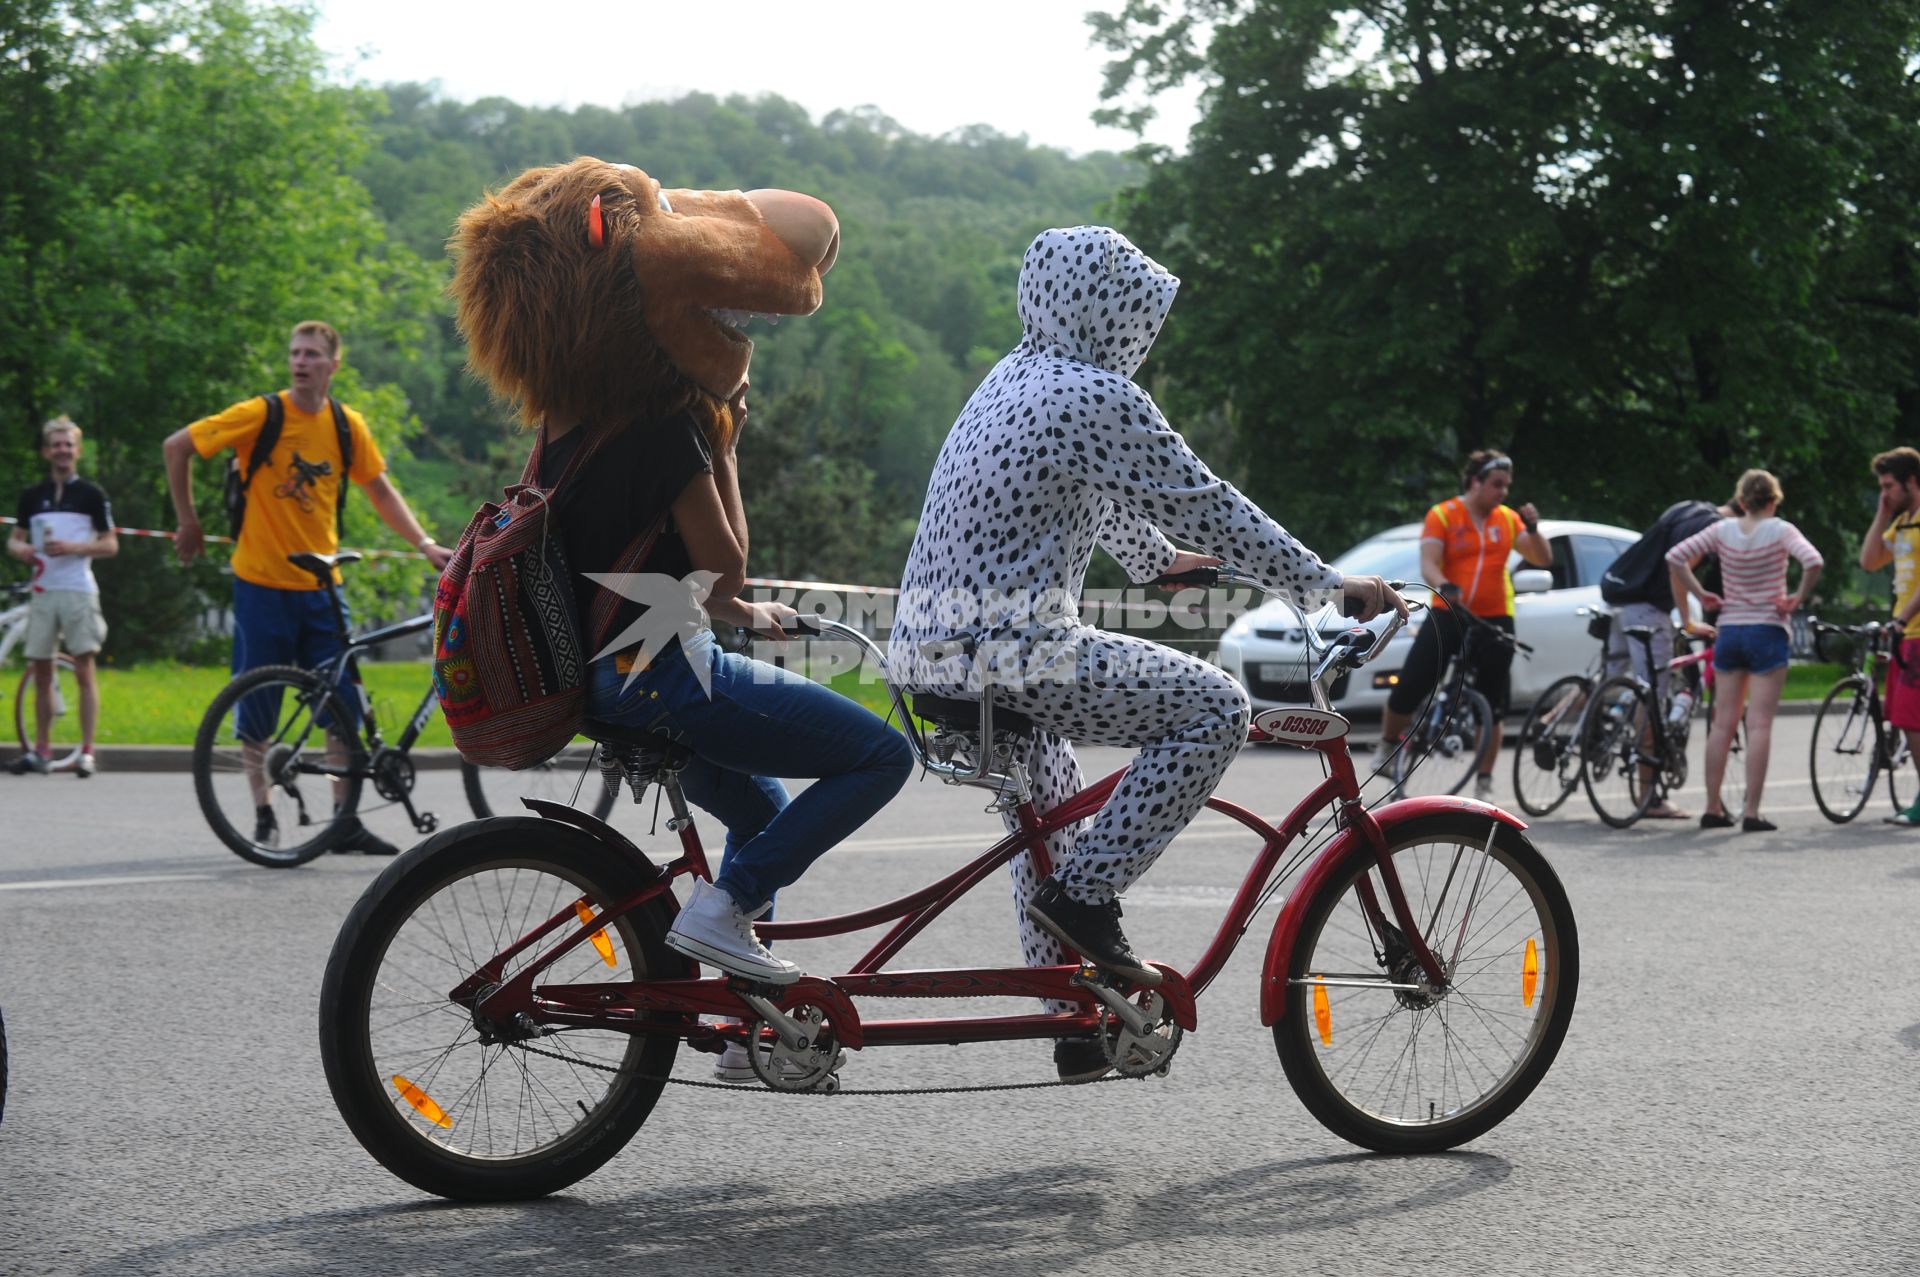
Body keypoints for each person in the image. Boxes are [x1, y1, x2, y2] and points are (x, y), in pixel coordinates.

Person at [888, 225, 1404, 1083]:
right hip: (1010, 650)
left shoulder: (1014, 376)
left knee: (1049, 805)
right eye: (1136, 316)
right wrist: (1325, 584)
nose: (1141, 335)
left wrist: (1157, 562)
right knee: (1215, 708)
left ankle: (1075, 1015)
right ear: (1105, 311)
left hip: (932, 647)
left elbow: (1095, 482)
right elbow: (1208, 501)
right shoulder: (1093, 393)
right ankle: (1084, 903)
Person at [446, 163, 912, 1010]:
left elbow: (659, 566)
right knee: (882, 755)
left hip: (597, 680)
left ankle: (749, 1019)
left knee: (762, 809)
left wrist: (730, 603)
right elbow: (723, 562)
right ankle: (729, 911)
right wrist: (723, 436)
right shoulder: (667, 430)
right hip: (670, 674)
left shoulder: (561, 426)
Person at [162, 321, 455, 855]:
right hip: (261, 582)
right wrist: (188, 522)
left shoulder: (347, 426)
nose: (300, 361)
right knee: (259, 705)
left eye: (312, 354)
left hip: (322, 585)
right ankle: (264, 814)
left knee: (342, 706)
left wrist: (424, 543)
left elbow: (380, 490)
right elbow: (176, 447)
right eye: (295, 352)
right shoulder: (262, 415)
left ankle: (343, 823)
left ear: (333, 365)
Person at [1381, 451, 1554, 799]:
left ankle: (1484, 781)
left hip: (1495, 616)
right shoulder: (1444, 514)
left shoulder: (1507, 520)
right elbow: (1428, 563)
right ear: (1476, 481)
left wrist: (1534, 529)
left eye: (1507, 486)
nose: (1503, 492)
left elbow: (1543, 558)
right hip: (1449, 610)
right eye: (1496, 484)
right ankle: (1386, 748)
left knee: (1492, 702)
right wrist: (1444, 584)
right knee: (1413, 682)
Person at [1667, 469, 1823, 832]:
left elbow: (1675, 556)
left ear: (1740, 501)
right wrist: (1797, 598)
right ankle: (1751, 812)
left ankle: (1711, 807)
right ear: (1772, 501)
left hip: (1730, 631)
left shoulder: (1722, 530)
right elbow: (1813, 561)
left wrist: (1700, 594)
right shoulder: (1781, 530)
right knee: (1759, 723)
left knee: (1723, 722)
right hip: (1768, 629)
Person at [1598, 497, 1738, 819]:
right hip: (1648, 605)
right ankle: (1648, 797)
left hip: (1618, 595)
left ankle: (1555, 727)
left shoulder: (1688, 507)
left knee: (1608, 677)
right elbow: (1679, 566)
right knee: (1653, 693)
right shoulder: (1713, 525)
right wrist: (1688, 621)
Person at [7, 417, 118, 776]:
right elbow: (14, 539)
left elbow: (110, 544)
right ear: (46, 451)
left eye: (68, 444)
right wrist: (20, 550)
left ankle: (87, 751)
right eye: (56, 444)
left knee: (84, 670)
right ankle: (42, 749)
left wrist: (74, 547)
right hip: (43, 591)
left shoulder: (92, 494)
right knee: (41, 671)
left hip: (78, 591)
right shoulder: (32, 496)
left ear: (78, 450)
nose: (62, 450)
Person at [1857, 446, 1920, 826]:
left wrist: (1903, 619)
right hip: (1905, 632)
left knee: (1913, 721)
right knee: (1905, 718)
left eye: (1890, 487)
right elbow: (1868, 560)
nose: (1885, 493)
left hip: (1916, 632)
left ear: (1912, 481)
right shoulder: (1903, 523)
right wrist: (1882, 512)